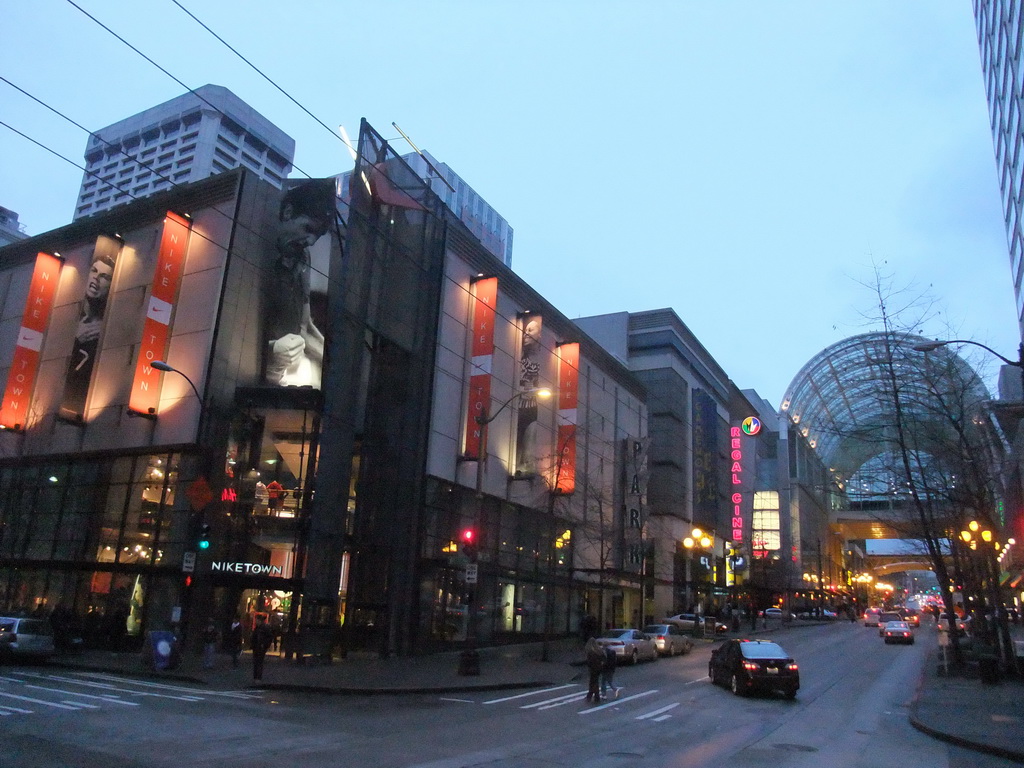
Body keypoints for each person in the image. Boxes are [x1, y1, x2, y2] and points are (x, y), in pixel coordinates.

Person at [264, 179, 335, 388]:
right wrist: (272, 351)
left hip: (280, 381)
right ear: (287, 213)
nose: (311, 241)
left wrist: (332, 363)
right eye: (308, 228)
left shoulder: (303, 258)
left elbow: (304, 325)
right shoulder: (256, 247)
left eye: (318, 235)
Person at [61, 251, 116, 418]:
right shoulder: (72, 322)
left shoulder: (104, 333)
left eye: (104, 276)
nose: (96, 279)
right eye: (94, 271)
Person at [251, 615, 273, 682]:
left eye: (257, 620)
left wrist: (265, 645)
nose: (256, 621)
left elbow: (269, 637)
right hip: (257, 647)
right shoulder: (258, 628)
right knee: (256, 662)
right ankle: (256, 677)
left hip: (261, 647)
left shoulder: (264, 628)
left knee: (259, 662)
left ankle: (258, 677)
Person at [585, 636, 605, 702]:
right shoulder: (599, 650)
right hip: (599, 668)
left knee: (593, 682)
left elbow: (589, 662)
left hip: (593, 668)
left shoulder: (590, 652)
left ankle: (594, 696)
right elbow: (604, 658)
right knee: (595, 681)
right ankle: (593, 695)